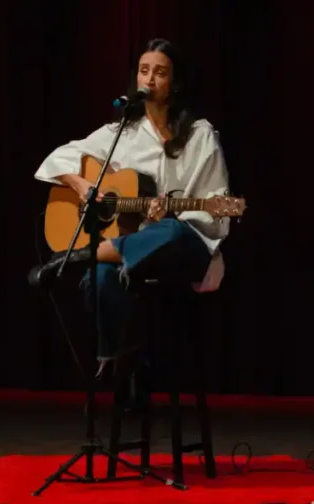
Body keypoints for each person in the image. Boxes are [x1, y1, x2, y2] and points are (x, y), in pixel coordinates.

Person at [28, 38, 231, 367]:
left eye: (160, 73)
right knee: (99, 279)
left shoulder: (200, 135)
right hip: (132, 252)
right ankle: (119, 364)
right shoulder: (122, 133)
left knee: (172, 231)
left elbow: (218, 209)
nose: (149, 80)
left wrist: (173, 214)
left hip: (182, 249)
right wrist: (81, 185)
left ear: (175, 83)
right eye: (144, 71)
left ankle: (83, 256)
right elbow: (57, 159)